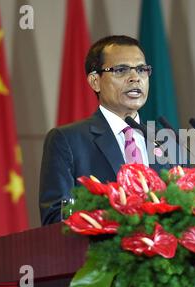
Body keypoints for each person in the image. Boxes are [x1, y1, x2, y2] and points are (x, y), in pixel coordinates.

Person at [39, 35, 174, 225]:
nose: (135, 78)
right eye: (121, 70)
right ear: (95, 81)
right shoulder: (67, 141)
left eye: (142, 70)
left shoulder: (165, 140)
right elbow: (57, 218)